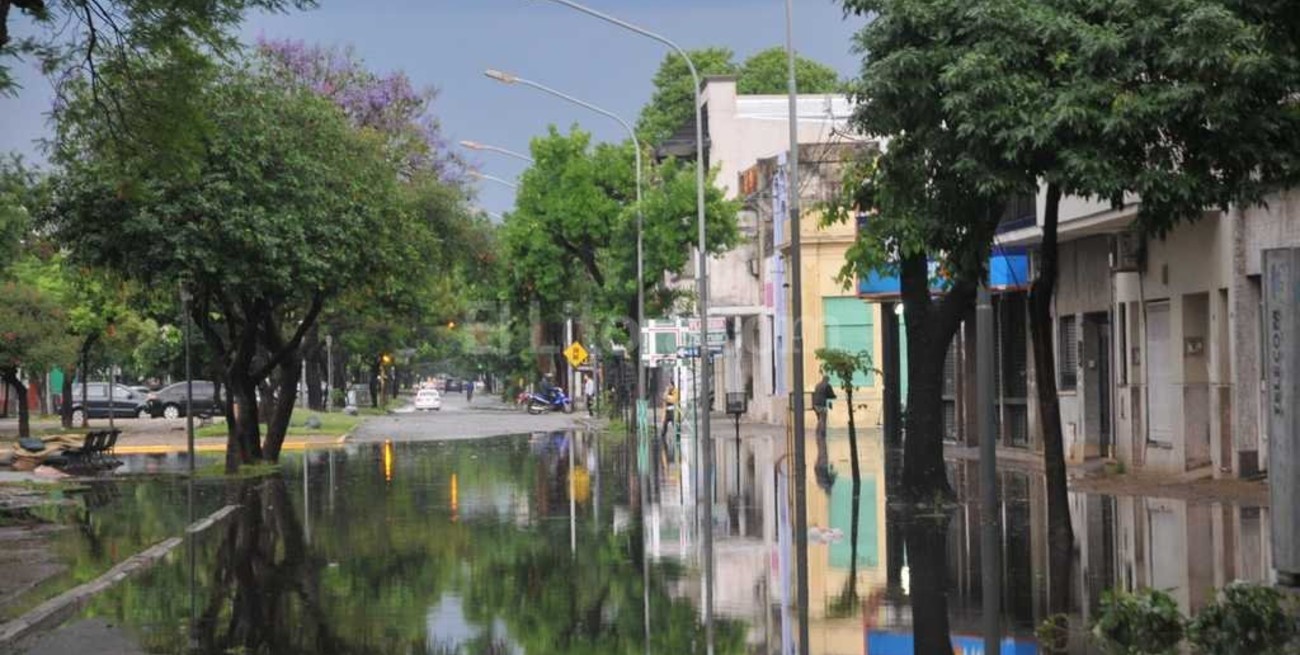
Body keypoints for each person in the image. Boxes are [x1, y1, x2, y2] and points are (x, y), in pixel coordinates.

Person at [811, 374, 836, 472]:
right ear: (827, 380)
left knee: (820, 419)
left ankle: (818, 432)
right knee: (823, 419)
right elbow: (831, 395)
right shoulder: (827, 386)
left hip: (815, 405)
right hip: (822, 404)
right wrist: (834, 396)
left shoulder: (817, 385)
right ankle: (822, 433)